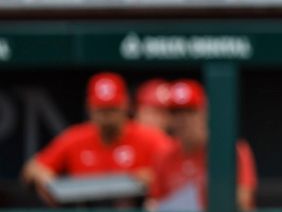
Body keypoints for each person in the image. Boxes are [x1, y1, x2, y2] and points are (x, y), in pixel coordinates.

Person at [21, 72, 172, 205]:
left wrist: (153, 177)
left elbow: (179, 166)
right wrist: (45, 180)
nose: (107, 116)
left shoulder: (149, 137)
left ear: (125, 105)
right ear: (89, 107)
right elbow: (32, 169)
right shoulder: (76, 137)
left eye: (112, 108)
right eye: (101, 109)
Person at [147, 79, 257, 212]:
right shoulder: (163, 155)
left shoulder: (230, 150)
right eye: (175, 113)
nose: (182, 120)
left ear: (205, 113)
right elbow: (154, 205)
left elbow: (243, 205)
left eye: (190, 112)